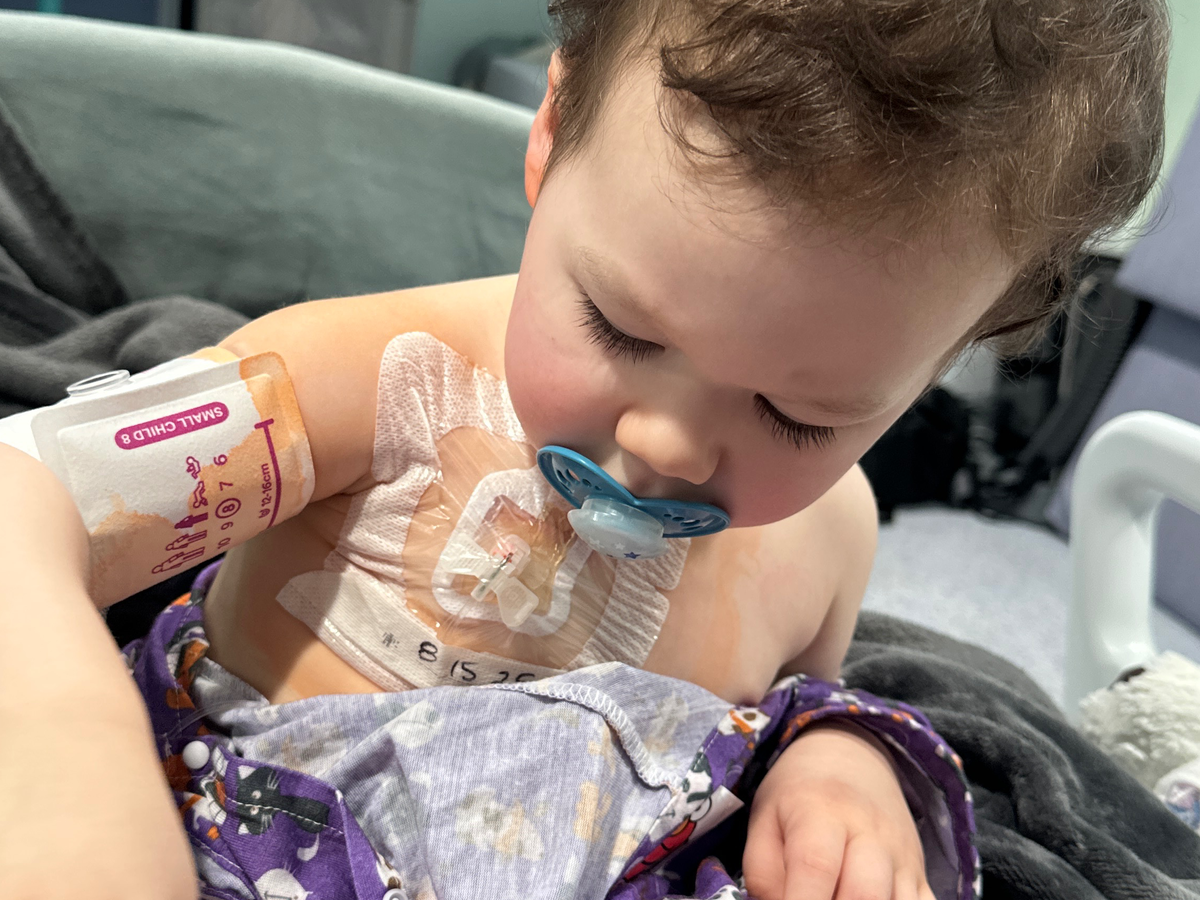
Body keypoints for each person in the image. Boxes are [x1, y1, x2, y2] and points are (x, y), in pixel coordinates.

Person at [1, 1, 1168, 899]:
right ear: (552, 138)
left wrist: (835, 766)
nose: (668, 444)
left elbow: (798, 706)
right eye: (620, 328)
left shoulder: (828, 536)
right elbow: (36, 489)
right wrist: (65, 754)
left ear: (958, 347)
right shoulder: (381, 378)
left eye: (801, 414)